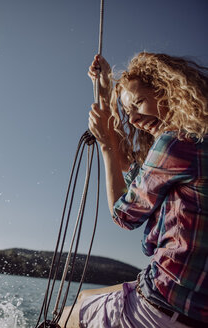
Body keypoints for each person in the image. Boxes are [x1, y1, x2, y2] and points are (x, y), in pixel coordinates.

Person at [59, 52, 208, 328]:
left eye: (139, 102)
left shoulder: (176, 141)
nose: (135, 119)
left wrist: (104, 144)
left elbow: (124, 215)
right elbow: (129, 163)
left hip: (165, 303)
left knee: (68, 316)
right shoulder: (198, 138)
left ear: (168, 91)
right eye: (129, 113)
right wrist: (104, 92)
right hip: (195, 308)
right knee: (84, 296)